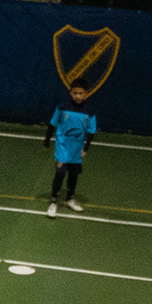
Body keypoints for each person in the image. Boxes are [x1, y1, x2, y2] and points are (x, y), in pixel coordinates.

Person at [44, 82, 96, 217]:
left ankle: (69, 199)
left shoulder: (89, 111)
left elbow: (91, 131)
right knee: (60, 172)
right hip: (63, 146)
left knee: (73, 174)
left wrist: (86, 148)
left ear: (85, 94)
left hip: (77, 148)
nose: (77, 96)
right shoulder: (62, 107)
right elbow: (53, 123)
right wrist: (47, 138)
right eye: (75, 93)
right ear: (70, 93)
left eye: (80, 93)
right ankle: (54, 201)